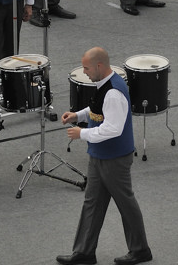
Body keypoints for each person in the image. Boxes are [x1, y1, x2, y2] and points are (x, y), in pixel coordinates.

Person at [58, 47, 152, 265]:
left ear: (99, 66)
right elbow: (96, 109)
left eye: (86, 68)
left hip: (115, 158)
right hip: (100, 155)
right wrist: (78, 115)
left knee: (125, 203)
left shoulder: (113, 92)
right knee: (92, 203)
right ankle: (84, 252)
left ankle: (140, 250)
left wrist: (82, 133)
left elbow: (113, 129)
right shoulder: (103, 85)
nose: (84, 72)